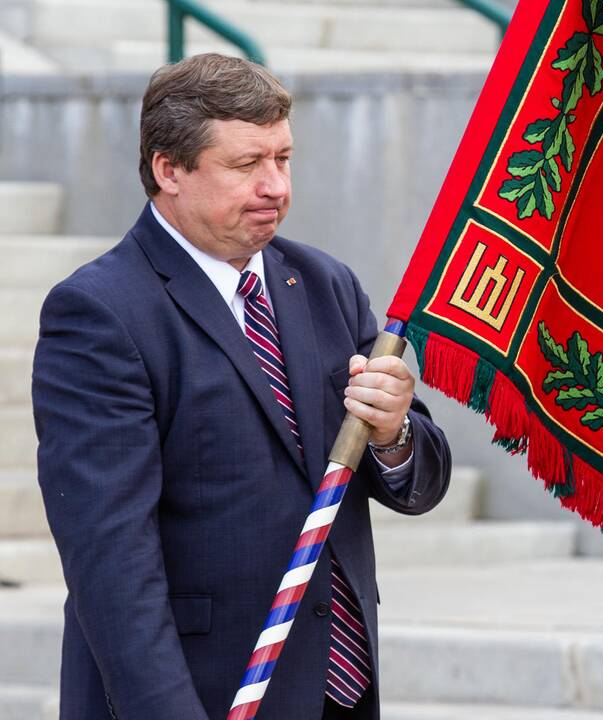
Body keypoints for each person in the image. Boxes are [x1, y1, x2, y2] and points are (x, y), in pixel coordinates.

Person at [32, 53, 452, 720]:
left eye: (283, 159)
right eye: (245, 164)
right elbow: (111, 564)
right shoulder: (101, 312)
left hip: (335, 687)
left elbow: (421, 483)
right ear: (169, 169)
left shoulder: (325, 284)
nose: (275, 186)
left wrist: (394, 431)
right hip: (201, 693)